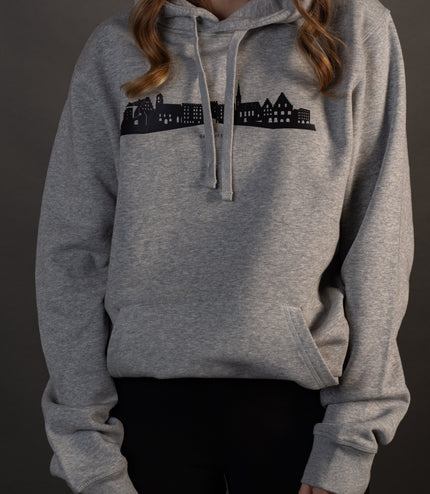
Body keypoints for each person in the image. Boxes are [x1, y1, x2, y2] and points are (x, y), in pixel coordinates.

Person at [34, 0, 414, 493]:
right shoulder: (115, 47)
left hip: (301, 409)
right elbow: (72, 251)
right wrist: (86, 448)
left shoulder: (353, 30)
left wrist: (350, 438)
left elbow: (380, 237)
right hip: (140, 418)